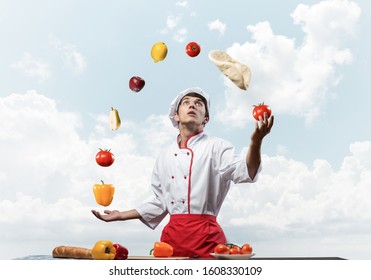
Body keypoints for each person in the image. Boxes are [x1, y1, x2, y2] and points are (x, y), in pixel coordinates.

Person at [91, 87, 274, 258]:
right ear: (176, 116)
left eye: (199, 104)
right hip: (171, 240)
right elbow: (161, 201)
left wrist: (255, 142)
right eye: (186, 102)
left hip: (208, 239)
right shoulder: (164, 155)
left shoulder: (217, 147)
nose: (192, 105)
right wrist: (121, 215)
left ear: (205, 119)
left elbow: (246, 172)